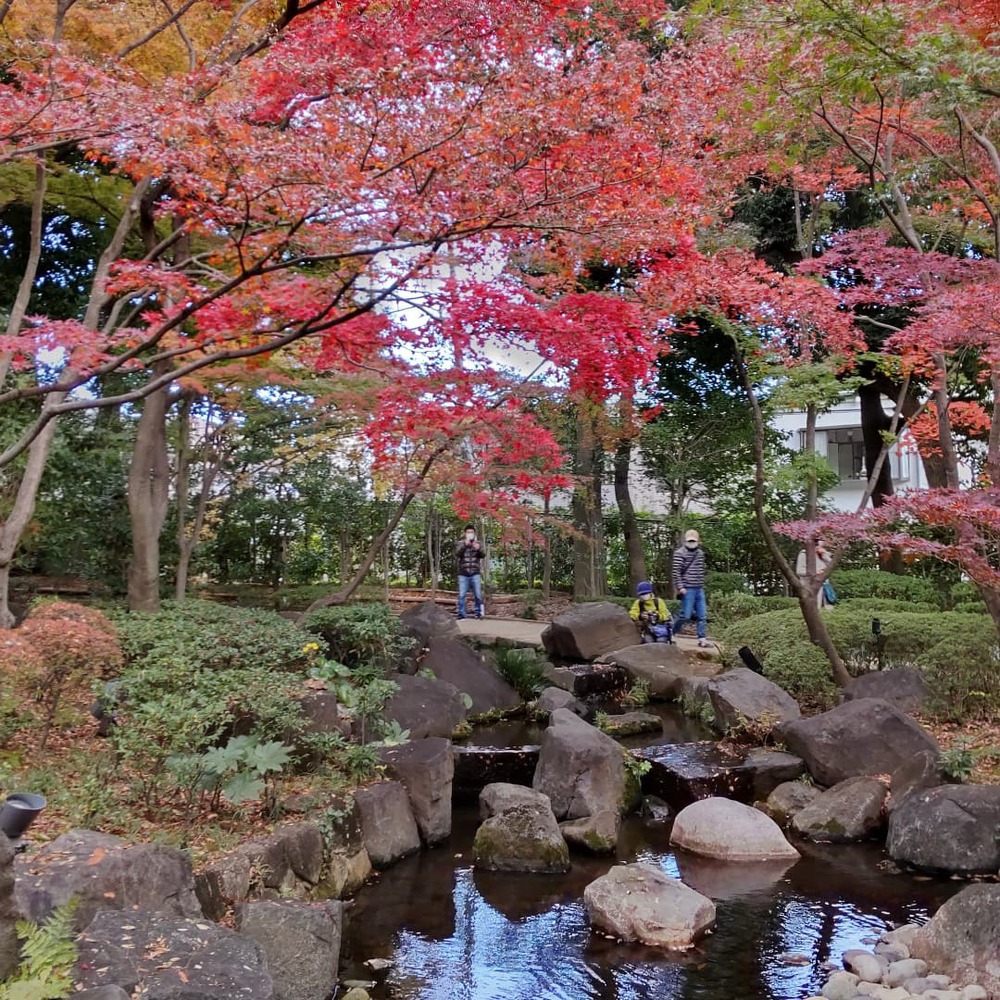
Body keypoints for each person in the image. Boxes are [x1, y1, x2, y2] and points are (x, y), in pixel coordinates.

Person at [672, 529, 709, 646]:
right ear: (685, 540)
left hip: (699, 587)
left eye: (694, 541)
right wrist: (680, 587)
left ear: (698, 541)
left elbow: (702, 570)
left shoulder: (700, 553)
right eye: (690, 541)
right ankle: (671, 633)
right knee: (685, 615)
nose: (692, 543)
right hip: (687, 588)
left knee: (702, 615)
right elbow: (676, 572)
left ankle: (702, 639)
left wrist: (702, 583)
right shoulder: (679, 553)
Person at [455, 524, 486, 619]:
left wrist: (478, 548)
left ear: (474, 533)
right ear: (465, 533)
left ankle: (478, 613)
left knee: (478, 594)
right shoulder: (461, 543)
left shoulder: (478, 543)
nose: (470, 534)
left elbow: (483, 555)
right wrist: (465, 544)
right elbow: (457, 554)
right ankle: (462, 614)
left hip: (475, 572)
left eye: (471, 532)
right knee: (462, 595)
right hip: (463, 573)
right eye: (468, 532)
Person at [796, 538, 834, 608]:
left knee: (828, 608)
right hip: (810, 586)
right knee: (814, 607)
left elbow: (832, 566)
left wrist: (825, 555)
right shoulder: (804, 554)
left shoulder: (823, 554)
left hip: (824, 586)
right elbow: (799, 571)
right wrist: (815, 573)